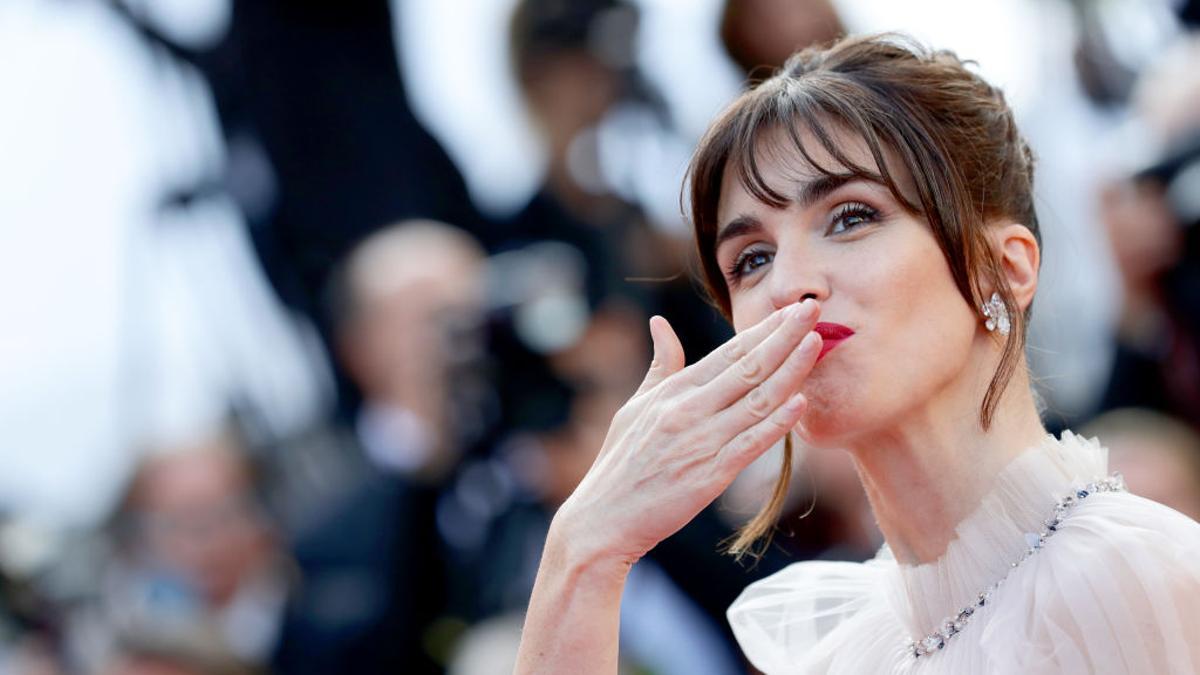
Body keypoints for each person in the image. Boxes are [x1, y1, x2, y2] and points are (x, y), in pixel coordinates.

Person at [514, 34, 1200, 674]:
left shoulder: (1138, 576)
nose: (787, 284)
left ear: (1005, 268)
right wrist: (585, 549)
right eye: (751, 258)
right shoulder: (837, 647)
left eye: (850, 217)